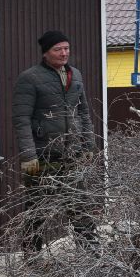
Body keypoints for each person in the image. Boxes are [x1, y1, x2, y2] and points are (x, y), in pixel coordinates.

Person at [13, 30, 98, 251]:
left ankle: (92, 256)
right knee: (37, 210)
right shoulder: (29, 78)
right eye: (57, 49)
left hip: (72, 154)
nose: (63, 53)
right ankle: (32, 258)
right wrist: (29, 156)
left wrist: (88, 144)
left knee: (80, 206)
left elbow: (84, 113)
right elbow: (21, 120)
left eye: (66, 48)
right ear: (46, 53)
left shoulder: (75, 75)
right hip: (42, 157)